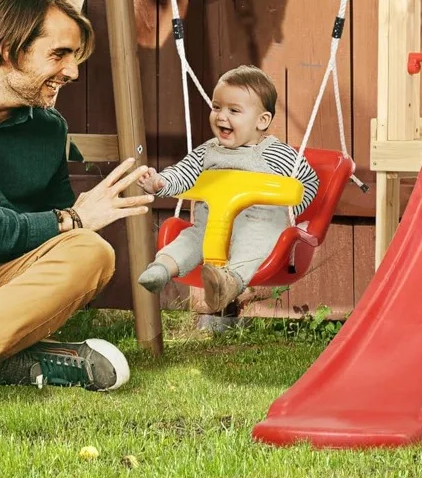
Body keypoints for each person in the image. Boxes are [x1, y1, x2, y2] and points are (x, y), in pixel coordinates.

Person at [0, 0, 154, 396]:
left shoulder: (49, 130)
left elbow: (56, 241)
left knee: (91, 252)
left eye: (75, 57)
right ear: (8, 50)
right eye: (59, 55)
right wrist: (69, 218)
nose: (72, 71)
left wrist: (74, 224)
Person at [136, 66, 319, 313]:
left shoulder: (277, 154)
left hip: (257, 225)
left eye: (234, 110)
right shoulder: (207, 151)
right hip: (210, 225)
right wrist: (160, 182)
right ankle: (162, 269)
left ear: (261, 121)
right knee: (188, 240)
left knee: (254, 245)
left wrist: (291, 209)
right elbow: (184, 173)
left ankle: (228, 284)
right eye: (216, 107)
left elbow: (308, 181)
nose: (222, 117)